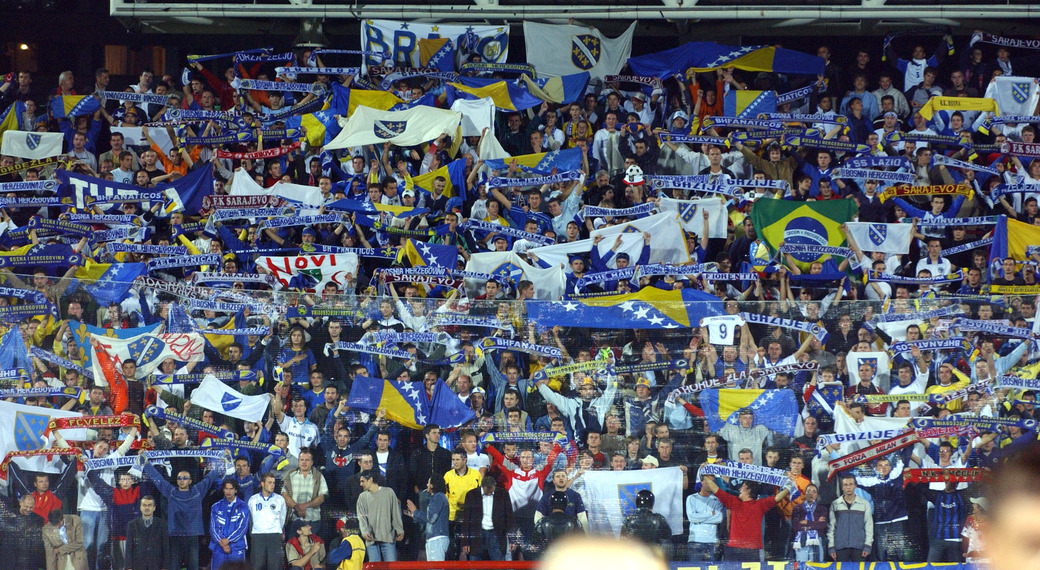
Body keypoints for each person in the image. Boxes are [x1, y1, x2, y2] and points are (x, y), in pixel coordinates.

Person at [142, 455, 226, 570]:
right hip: (175, 537)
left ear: (190, 481)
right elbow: (158, 480)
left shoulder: (197, 491)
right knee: (173, 567)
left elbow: (210, 478)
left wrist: (224, 459)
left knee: (193, 567)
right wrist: (145, 463)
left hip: (192, 537)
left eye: (185, 478)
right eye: (179, 478)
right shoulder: (171, 492)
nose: (182, 480)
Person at [699, 470, 793, 561]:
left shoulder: (760, 504)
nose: (739, 489)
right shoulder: (735, 501)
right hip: (737, 549)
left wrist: (789, 485)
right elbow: (716, 490)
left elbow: (778, 497)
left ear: (749, 490)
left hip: (747, 550)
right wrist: (704, 471)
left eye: (742, 487)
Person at [460, 475, 515, 561]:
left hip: (496, 535)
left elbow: (509, 517)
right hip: (477, 535)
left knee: (498, 565)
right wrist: (465, 542)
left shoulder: (503, 494)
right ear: (482, 486)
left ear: (495, 486)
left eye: (491, 490)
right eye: (487, 490)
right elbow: (466, 519)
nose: (489, 493)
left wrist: (512, 539)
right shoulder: (471, 495)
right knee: (475, 564)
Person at [356, 469, 404, 562]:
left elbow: (395, 513)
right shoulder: (362, 497)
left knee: (392, 568)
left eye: (363, 481)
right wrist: (365, 531)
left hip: (388, 538)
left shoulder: (389, 492)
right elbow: (361, 517)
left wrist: (399, 530)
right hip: (371, 540)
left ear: (370, 480)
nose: (361, 484)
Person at [248, 472, 289, 570]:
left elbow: (282, 518)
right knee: (257, 566)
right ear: (262, 483)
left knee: (275, 566)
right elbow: (250, 520)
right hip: (258, 536)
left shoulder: (280, 500)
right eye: (269, 482)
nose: (272, 485)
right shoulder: (253, 500)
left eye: (274, 483)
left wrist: (275, 529)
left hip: (274, 536)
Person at [828, 474, 873, 561]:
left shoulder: (864, 504)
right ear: (842, 487)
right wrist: (831, 546)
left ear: (855, 486)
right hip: (840, 547)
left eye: (851, 484)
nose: (848, 487)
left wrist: (868, 545)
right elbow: (831, 527)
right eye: (845, 485)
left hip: (859, 547)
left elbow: (869, 526)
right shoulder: (835, 504)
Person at [404, 476, 450, 561]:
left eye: (428, 482)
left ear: (432, 485)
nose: (427, 484)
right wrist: (414, 515)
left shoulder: (438, 497)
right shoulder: (437, 497)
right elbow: (430, 519)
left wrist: (416, 512)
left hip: (437, 539)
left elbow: (431, 518)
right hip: (434, 539)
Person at [210, 478, 250, 569]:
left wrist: (228, 541)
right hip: (218, 547)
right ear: (223, 489)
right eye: (226, 488)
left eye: (231, 489)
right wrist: (223, 543)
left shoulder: (243, 506)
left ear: (235, 490)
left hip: (236, 548)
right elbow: (213, 528)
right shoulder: (215, 507)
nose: (228, 491)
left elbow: (242, 528)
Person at [529, 491, 583, 558]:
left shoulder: (541, 522)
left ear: (551, 504)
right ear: (566, 504)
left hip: (548, 561)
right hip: (569, 560)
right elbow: (582, 543)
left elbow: (534, 546)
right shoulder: (574, 522)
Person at [124, 495, 169, 570]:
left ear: (154, 508)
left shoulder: (162, 524)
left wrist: (165, 567)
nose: (147, 508)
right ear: (140, 508)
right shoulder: (132, 525)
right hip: (138, 566)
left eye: (149, 505)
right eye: (144, 505)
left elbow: (165, 548)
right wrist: (128, 567)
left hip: (156, 565)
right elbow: (129, 548)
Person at [686, 477, 724, 561]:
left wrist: (699, 519)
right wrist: (710, 514)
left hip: (712, 541)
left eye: (713, 482)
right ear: (702, 482)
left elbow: (719, 518)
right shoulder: (691, 498)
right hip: (695, 541)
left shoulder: (717, 500)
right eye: (709, 481)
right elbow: (691, 517)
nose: (712, 484)